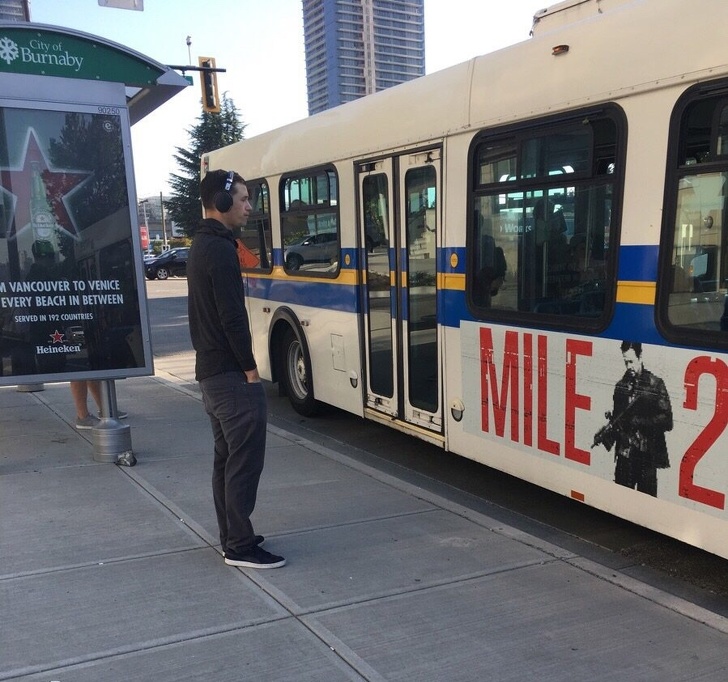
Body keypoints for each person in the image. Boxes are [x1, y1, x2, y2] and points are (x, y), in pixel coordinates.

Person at [187, 169, 285, 569]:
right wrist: (250, 369)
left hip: (210, 373)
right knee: (244, 462)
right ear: (222, 202)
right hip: (229, 375)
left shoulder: (202, 243)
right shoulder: (220, 249)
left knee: (226, 459)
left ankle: (233, 536)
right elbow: (232, 317)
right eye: (243, 199)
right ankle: (240, 546)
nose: (249, 206)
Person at [592, 341, 673, 497]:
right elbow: (618, 419)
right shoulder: (621, 386)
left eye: (631, 361)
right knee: (620, 499)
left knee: (647, 503)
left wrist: (638, 421)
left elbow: (667, 421)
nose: (629, 366)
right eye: (625, 362)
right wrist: (606, 432)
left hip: (646, 457)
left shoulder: (655, 384)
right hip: (625, 456)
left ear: (640, 356)